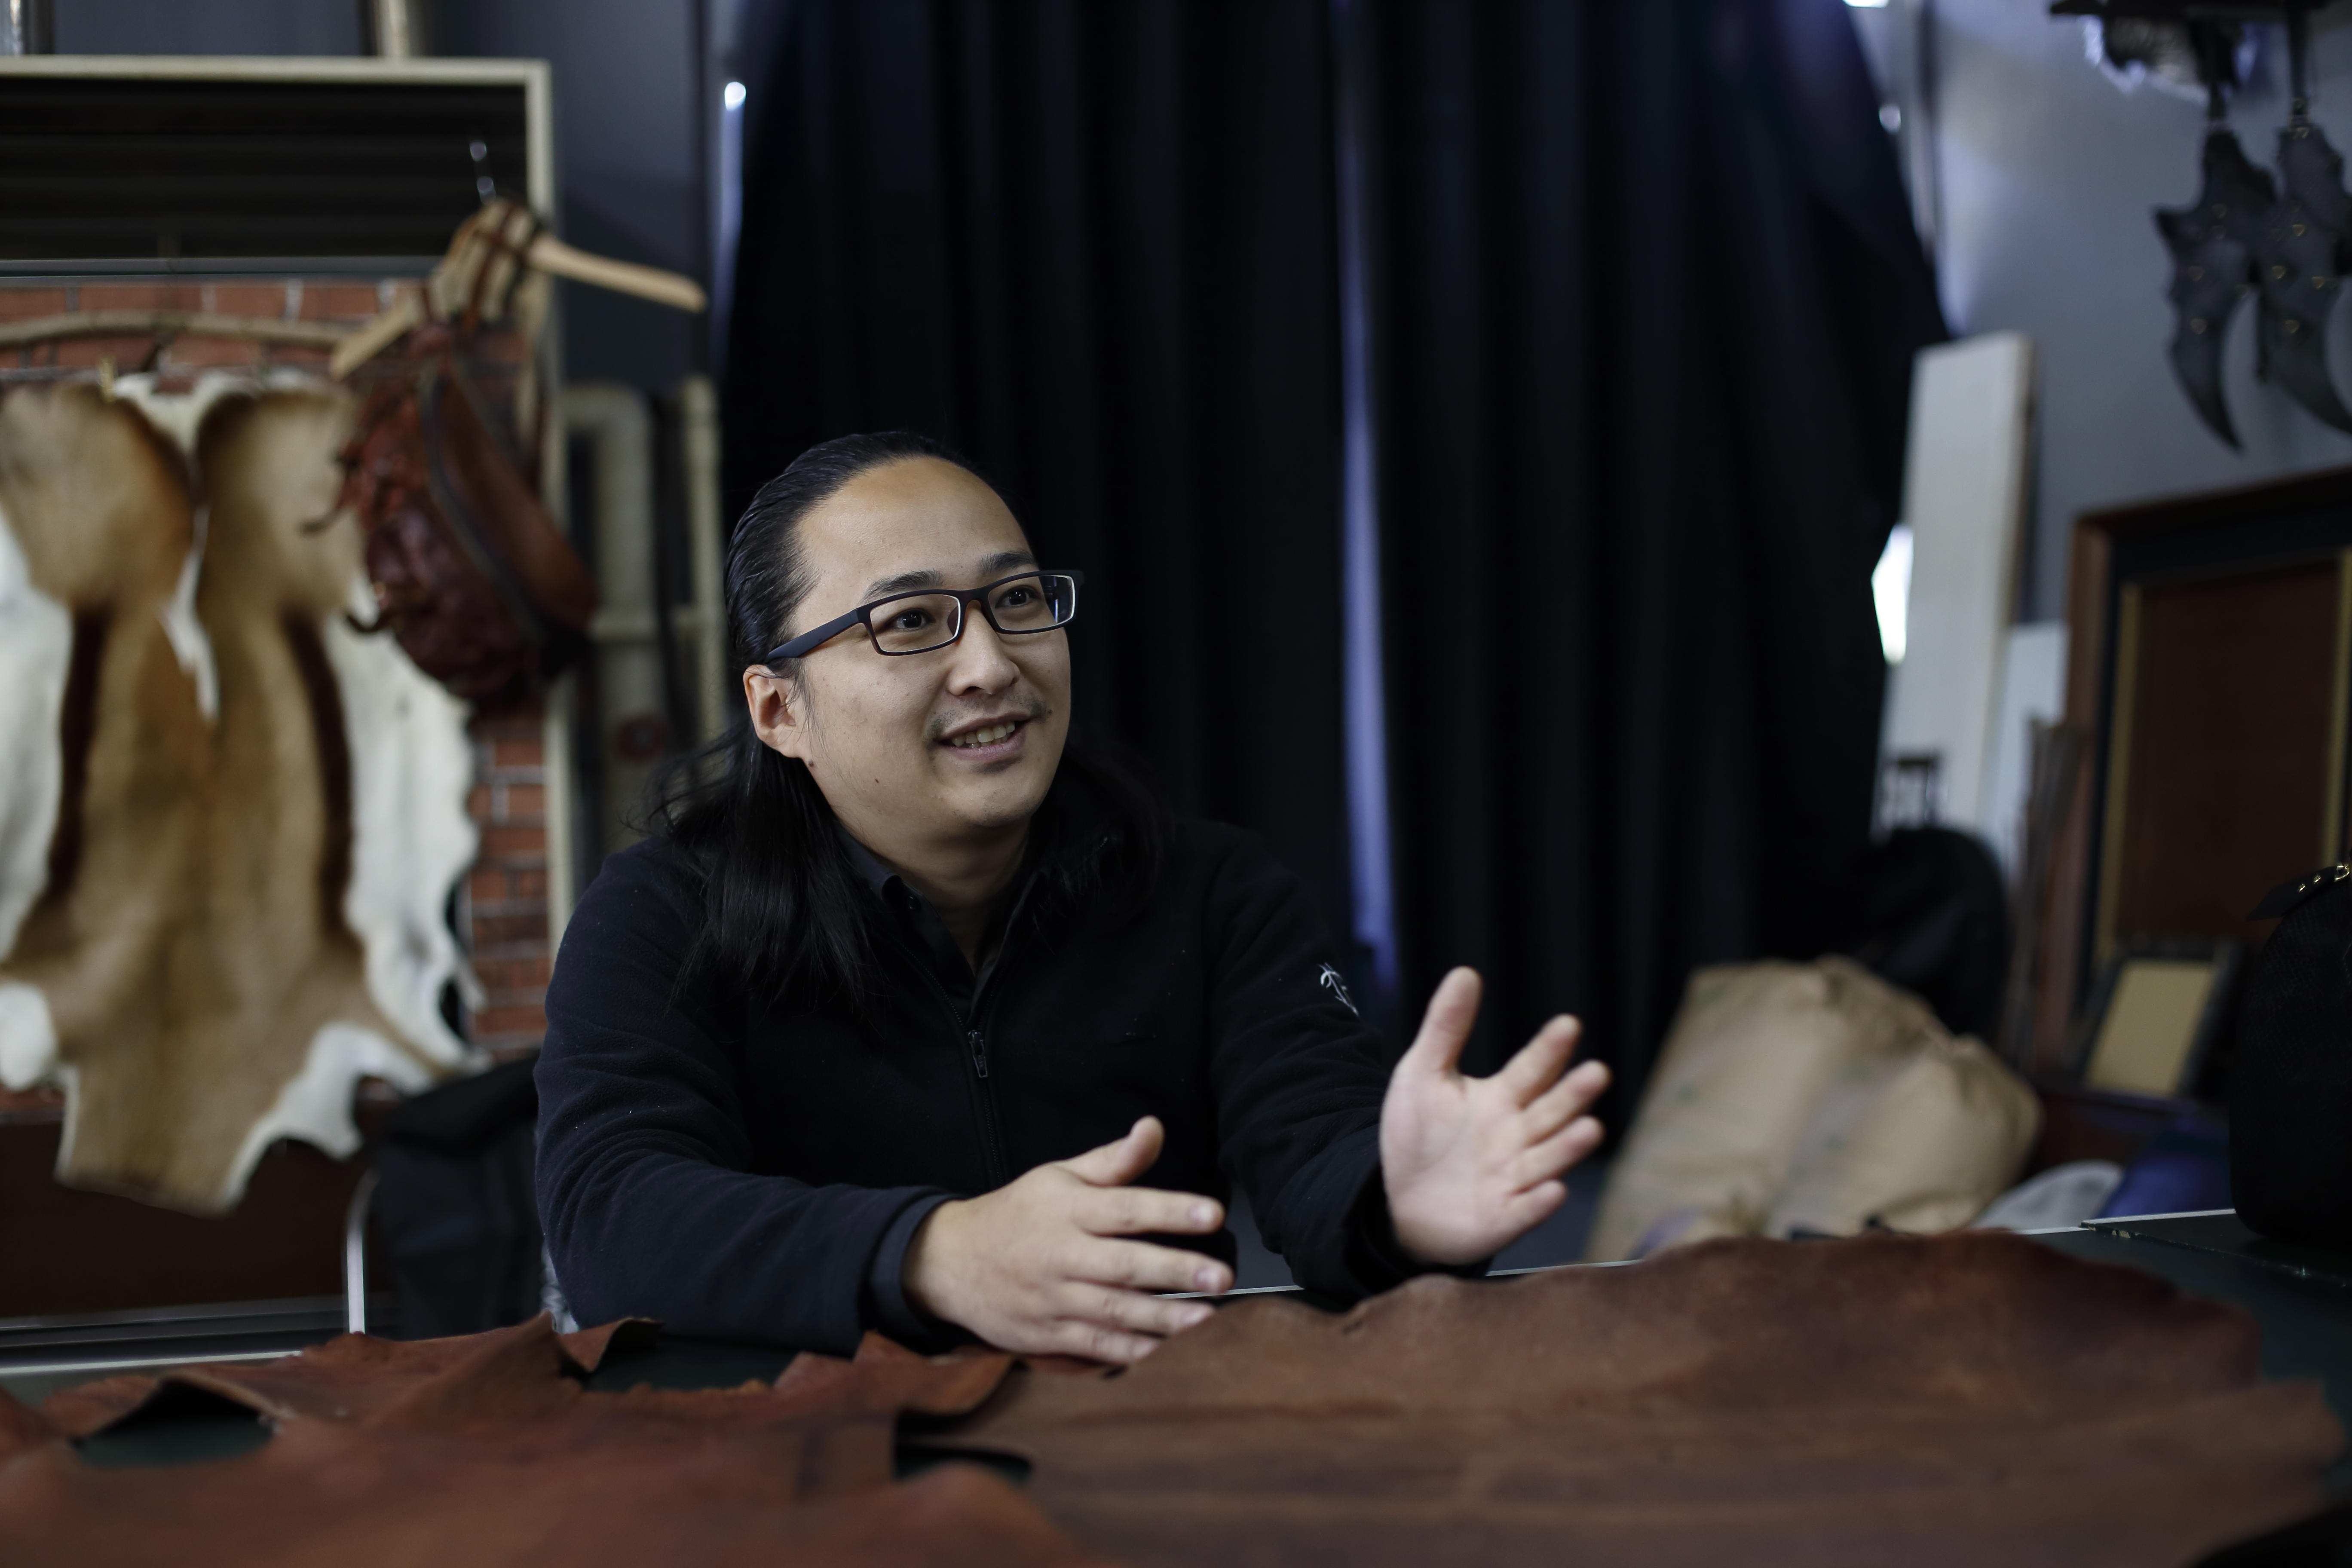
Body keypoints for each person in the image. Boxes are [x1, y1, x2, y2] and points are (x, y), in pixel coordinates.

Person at [535, 432, 1610, 1363]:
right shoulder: (665, 914)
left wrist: (1398, 1205)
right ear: (780, 711)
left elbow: (1314, 1142)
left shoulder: (1210, 892)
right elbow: (612, 1214)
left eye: (1015, 601)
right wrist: (936, 1254)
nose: (989, 665)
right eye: (910, 621)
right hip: (804, 1463)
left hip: (1134, 1446)